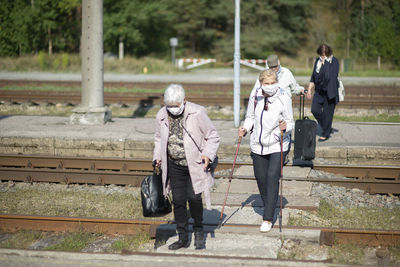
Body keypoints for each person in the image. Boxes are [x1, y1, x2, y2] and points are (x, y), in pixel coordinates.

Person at [153, 84, 220, 250]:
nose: (172, 109)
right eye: (169, 106)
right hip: (174, 164)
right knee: (178, 201)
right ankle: (182, 237)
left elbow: (213, 136)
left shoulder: (197, 112)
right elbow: (158, 139)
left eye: (175, 106)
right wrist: (157, 157)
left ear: (184, 101)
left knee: (194, 198)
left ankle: (198, 231)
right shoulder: (161, 114)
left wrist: (207, 154)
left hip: (194, 164)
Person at [238, 69, 294, 232]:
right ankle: (270, 201)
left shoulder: (284, 97)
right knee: (261, 178)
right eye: (266, 83)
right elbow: (250, 117)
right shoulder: (255, 95)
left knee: (272, 177)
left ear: (277, 82)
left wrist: (286, 127)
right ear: (261, 83)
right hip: (258, 144)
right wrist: (245, 128)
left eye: (273, 83)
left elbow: (290, 122)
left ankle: (268, 218)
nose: (270, 86)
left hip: (278, 143)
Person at [306, 44, 339, 141]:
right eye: (321, 54)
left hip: (330, 91)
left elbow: (331, 76)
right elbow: (313, 77)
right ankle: (327, 126)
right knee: (314, 110)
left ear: (329, 53)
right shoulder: (317, 61)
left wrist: (326, 64)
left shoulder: (334, 61)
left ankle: (325, 133)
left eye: (325, 54)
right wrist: (309, 89)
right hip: (319, 91)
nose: (322, 56)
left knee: (328, 113)